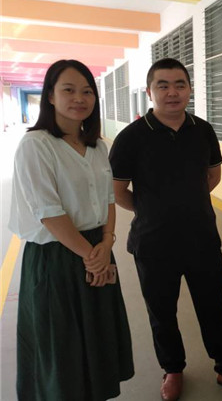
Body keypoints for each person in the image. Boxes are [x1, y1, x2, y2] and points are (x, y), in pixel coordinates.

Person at [109, 58, 222, 400]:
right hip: (153, 243)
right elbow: (117, 192)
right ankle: (173, 369)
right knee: (162, 312)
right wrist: (153, 210)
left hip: (201, 239)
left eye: (179, 84)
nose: (172, 92)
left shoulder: (202, 130)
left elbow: (213, 176)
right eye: (162, 85)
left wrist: (187, 203)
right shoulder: (131, 138)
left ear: (190, 90)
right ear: (149, 92)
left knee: (214, 308)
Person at [8, 59, 134, 400]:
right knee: (61, 345)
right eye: (69, 90)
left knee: (96, 338)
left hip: (97, 248)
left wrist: (106, 243)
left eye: (87, 91)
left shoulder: (97, 146)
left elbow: (108, 199)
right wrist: (93, 257)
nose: (79, 98)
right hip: (57, 256)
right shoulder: (36, 145)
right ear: (50, 96)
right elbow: (49, 213)